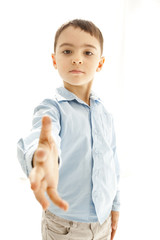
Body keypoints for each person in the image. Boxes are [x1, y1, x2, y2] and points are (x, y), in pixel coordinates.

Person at [17, 19, 120, 240]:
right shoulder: (52, 107)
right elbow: (43, 136)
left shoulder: (105, 113)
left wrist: (115, 203)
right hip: (64, 226)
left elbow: (113, 162)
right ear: (55, 60)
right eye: (67, 50)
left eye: (88, 53)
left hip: (102, 221)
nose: (77, 58)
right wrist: (42, 158)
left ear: (100, 63)